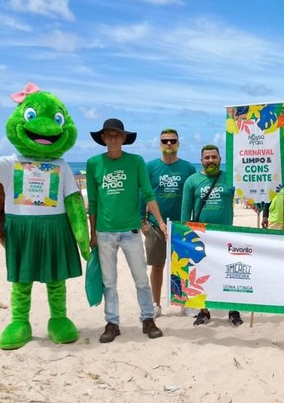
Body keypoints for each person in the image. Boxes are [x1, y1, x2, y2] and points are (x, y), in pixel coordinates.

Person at [87, 118, 166, 343]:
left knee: (141, 278)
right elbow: (93, 202)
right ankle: (112, 323)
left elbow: (148, 194)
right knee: (109, 282)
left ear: (123, 138)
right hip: (104, 232)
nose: (113, 138)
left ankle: (148, 319)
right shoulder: (93, 163)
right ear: (103, 138)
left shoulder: (136, 162)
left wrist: (160, 221)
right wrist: (92, 233)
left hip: (131, 231)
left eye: (117, 135)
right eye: (109, 135)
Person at [181, 144, 244, 327]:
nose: (211, 160)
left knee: (230, 273)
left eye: (214, 157)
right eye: (207, 157)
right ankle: (204, 311)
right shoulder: (192, 181)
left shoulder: (230, 178)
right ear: (201, 160)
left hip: (226, 235)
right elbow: (185, 211)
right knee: (202, 273)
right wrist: (184, 235)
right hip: (201, 236)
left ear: (220, 159)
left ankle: (233, 309)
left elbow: (247, 195)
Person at [142, 128, 196, 318]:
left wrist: (194, 221)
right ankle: (156, 304)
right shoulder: (150, 167)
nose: (169, 144)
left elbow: (194, 195)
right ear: (160, 144)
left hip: (181, 226)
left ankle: (183, 303)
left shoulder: (188, 168)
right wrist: (142, 220)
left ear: (178, 144)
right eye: (165, 141)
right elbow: (143, 194)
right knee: (157, 266)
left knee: (181, 266)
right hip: (155, 225)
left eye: (172, 141)